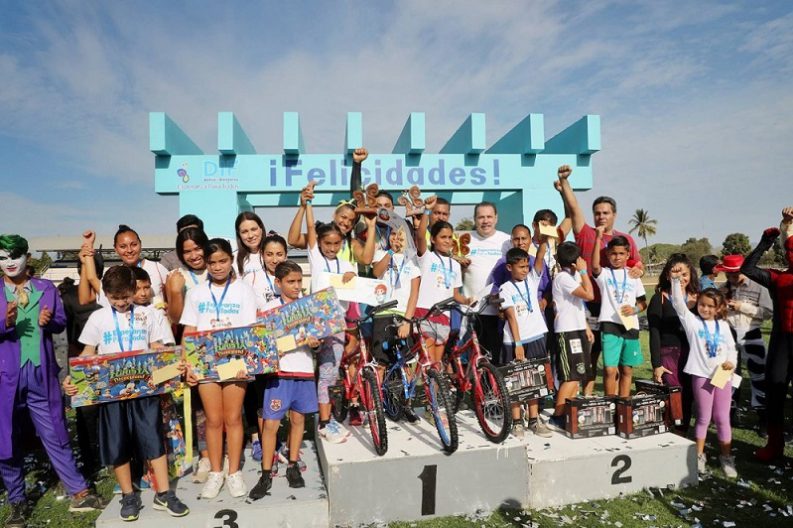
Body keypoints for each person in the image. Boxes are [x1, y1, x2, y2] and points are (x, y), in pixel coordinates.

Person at [63, 265, 189, 520]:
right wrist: (71, 378)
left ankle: (164, 493)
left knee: (153, 439)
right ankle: (128, 495)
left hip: (145, 390)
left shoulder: (148, 314)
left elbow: (157, 347)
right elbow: (87, 353)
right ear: (106, 295)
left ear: (134, 290)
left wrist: (173, 362)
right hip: (111, 393)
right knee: (117, 442)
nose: (121, 303)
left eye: (125, 297)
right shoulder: (98, 318)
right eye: (114, 298)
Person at [0, 234, 105, 528]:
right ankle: (17, 501)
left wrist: (49, 320)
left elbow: (61, 322)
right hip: (5, 376)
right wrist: (5, 323)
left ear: (27, 257)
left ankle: (79, 492)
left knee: (55, 432)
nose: (9, 262)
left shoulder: (45, 288)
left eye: (15, 256)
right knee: (5, 438)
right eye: (3, 257)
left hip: (41, 375)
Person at [181, 238, 258, 499]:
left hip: (235, 363)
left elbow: (250, 330)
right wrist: (187, 365)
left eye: (222, 261)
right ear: (206, 263)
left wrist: (247, 362)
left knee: (233, 418)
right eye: (212, 262)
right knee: (213, 420)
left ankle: (233, 472)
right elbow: (189, 330)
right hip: (204, 364)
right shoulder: (195, 293)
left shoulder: (244, 291)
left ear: (231, 260)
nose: (217, 267)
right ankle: (216, 472)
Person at [556, 165, 643, 395]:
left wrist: (639, 271)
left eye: (606, 213)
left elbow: (637, 266)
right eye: (597, 213)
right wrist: (565, 182)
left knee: (618, 363)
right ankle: (587, 397)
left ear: (614, 215)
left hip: (618, 311)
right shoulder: (585, 232)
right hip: (591, 306)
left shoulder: (625, 240)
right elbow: (574, 208)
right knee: (590, 353)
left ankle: (618, 402)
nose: (601, 216)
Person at [249, 261, 320, 500]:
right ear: (278, 283)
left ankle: (292, 464)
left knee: (298, 420)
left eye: (299, 281)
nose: (297, 286)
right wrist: (271, 349)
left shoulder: (308, 307)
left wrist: (315, 343)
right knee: (271, 424)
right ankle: (266, 473)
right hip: (279, 374)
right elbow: (259, 345)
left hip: (304, 371)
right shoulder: (269, 310)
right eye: (291, 281)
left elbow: (317, 340)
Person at [305, 198, 374, 436]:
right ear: (319, 243)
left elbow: (353, 290)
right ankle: (323, 421)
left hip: (338, 326)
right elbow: (311, 227)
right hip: (316, 325)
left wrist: (351, 277)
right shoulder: (316, 258)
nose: (332, 248)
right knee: (317, 373)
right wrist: (308, 204)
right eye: (327, 243)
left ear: (342, 243)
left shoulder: (347, 265)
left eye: (336, 244)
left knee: (329, 373)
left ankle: (326, 420)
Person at [669, 269, 738, 478]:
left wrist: (731, 363)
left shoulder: (723, 326)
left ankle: (726, 458)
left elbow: (731, 349)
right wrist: (675, 281)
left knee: (722, 418)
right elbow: (679, 305)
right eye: (702, 304)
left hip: (723, 377)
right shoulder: (693, 323)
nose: (705, 309)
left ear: (719, 308)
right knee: (703, 418)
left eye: (710, 306)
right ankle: (699, 456)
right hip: (701, 376)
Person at [162, 227, 213, 481]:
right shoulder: (178, 276)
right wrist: (174, 291)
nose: (193, 255)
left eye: (197, 248)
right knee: (200, 405)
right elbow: (174, 317)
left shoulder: (218, 267)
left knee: (226, 404)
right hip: (193, 345)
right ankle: (205, 456)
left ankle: (225, 452)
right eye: (187, 251)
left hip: (222, 344)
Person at [741, 222, 793, 462]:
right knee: (774, 394)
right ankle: (774, 445)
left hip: (782, 342)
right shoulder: (778, 278)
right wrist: (765, 242)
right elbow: (747, 268)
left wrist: (787, 231)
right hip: (781, 343)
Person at [371, 211, 422, 420]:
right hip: (382, 313)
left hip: (403, 315)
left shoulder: (413, 262)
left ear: (408, 237)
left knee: (408, 361)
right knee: (381, 362)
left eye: (401, 235)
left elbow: (414, 294)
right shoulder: (381, 254)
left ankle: (406, 403)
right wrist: (391, 252)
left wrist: (407, 320)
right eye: (393, 234)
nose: (397, 238)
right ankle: (376, 406)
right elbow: (376, 272)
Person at [242, 233, 288, 463]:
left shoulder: (290, 276)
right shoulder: (252, 279)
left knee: (281, 395)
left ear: (286, 255)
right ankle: (262, 442)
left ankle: (279, 441)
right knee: (262, 397)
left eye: (279, 254)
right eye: (269, 254)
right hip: (262, 347)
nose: (274, 259)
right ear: (262, 255)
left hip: (286, 346)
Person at [499, 247, 553, 438]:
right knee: (515, 382)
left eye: (526, 266)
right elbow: (511, 318)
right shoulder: (505, 288)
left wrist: (544, 240)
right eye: (521, 267)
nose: (525, 270)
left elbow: (539, 257)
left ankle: (534, 419)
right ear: (509, 267)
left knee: (535, 382)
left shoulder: (532, 280)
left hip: (536, 336)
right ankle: (516, 422)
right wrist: (518, 343)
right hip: (516, 341)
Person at [288, 148, 375, 266]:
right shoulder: (320, 238)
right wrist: (303, 207)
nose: (346, 222)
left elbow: (366, 260)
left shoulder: (351, 244)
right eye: (344, 217)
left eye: (351, 220)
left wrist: (371, 226)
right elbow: (293, 240)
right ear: (334, 215)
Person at [719, 254, 773, 434]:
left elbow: (768, 312)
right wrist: (721, 306)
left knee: (759, 377)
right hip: (727, 337)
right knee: (725, 377)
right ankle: (726, 415)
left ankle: (763, 419)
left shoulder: (759, 287)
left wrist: (742, 306)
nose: (732, 278)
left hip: (751, 335)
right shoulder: (722, 288)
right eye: (729, 274)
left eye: (736, 274)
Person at [591, 229, 647, 397]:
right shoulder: (604, 274)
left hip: (630, 326)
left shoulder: (633, 275)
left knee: (626, 370)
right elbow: (594, 266)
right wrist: (598, 239)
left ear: (628, 254)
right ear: (608, 254)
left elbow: (643, 303)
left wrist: (634, 309)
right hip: (610, 326)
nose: (617, 257)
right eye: (613, 253)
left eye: (621, 253)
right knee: (609, 369)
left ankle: (624, 405)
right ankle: (610, 403)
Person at [415, 197, 471, 364]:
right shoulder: (427, 257)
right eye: (443, 237)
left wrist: (468, 300)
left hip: (444, 316)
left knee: (437, 364)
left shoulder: (455, 264)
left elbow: (455, 295)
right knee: (428, 362)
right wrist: (426, 210)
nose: (447, 241)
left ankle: (434, 383)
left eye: (449, 237)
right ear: (433, 239)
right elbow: (420, 236)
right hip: (425, 313)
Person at [647, 253, 698, 434]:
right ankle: (670, 430)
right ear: (668, 276)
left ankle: (683, 431)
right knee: (674, 393)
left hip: (693, 354)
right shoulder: (659, 298)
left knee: (689, 394)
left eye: (684, 274)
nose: (681, 278)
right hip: (669, 355)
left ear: (691, 274)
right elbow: (654, 332)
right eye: (675, 273)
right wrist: (656, 364)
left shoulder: (698, 298)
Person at [548, 242, 595, 429]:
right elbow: (589, 295)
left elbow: (577, 304)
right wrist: (584, 272)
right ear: (576, 261)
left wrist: (586, 327)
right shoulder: (563, 278)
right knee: (571, 377)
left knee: (578, 374)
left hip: (577, 329)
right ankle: (556, 416)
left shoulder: (572, 276)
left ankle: (569, 412)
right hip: (567, 332)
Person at [461, 201, 511, 365]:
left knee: (497, 359)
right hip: (472, 310)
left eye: (489, 217)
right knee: (474, 361)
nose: (485, 221)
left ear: (496, 218)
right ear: (475, 219)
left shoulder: (506, 241)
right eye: (481, 217)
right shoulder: (464, 239)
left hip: (499, 310)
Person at [78, 226, 169, 311]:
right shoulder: (115, 275)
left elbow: (172, 297)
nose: (129, 250)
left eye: (134, 244)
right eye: (123, 246)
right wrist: (87, 251)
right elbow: (85, 298)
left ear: (140, 244)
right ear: (115, 249)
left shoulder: (157, 268)